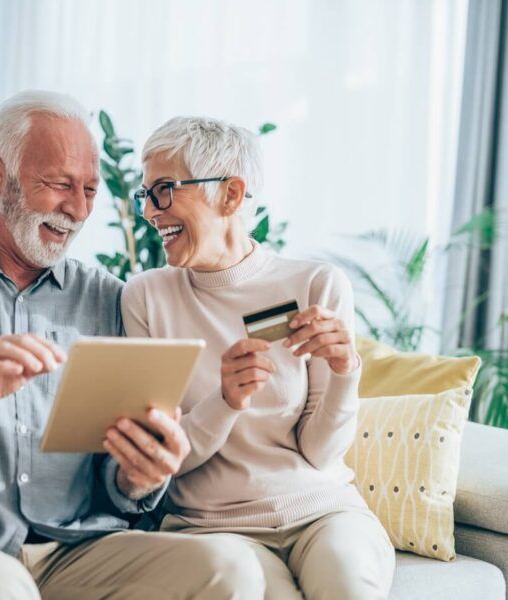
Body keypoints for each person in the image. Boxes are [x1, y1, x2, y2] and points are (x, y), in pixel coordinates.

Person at [0, 91, 264, 599]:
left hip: (70, 551)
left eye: (89, 190)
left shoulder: (107, 296)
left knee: (227, 566)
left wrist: (138, 477)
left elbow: (115, 477)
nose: (78, 209)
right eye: (59, 184)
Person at [121, 116, 396, 599]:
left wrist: (345, 372)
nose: (148, 211)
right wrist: (225, 400)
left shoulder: (316, 285)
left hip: (323, 514)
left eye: (162, 190)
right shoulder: (145, 298)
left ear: (230, 195)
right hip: (212, 530)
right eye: (144, 194)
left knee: (348, 587)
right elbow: (163, 462)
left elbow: (321, 452)